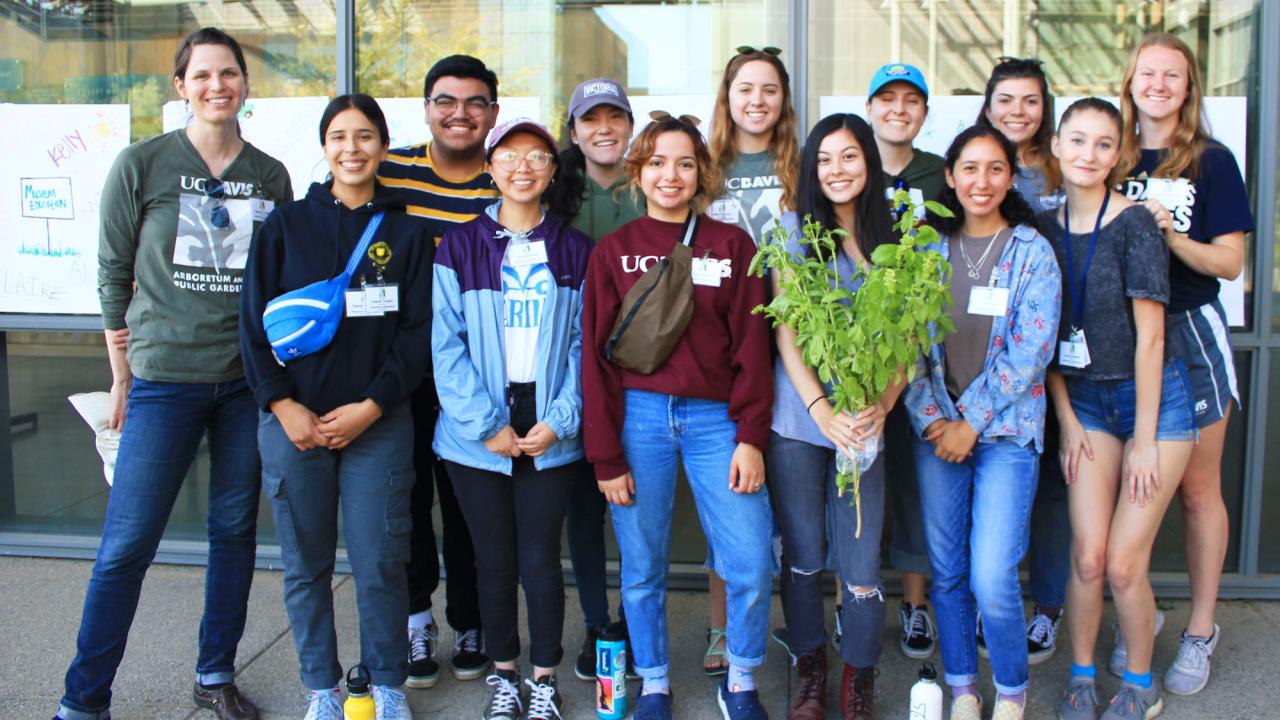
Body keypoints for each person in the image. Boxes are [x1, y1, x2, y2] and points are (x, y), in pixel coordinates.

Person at [56, 27, 291, 720]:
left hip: (245, 382)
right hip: (163, 379)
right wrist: (121, 373)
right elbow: (111, 273)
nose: (218, 85)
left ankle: (214, 672)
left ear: (243, 84)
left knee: (232, 533)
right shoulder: (143, 163)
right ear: (180, 86)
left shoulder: (269, 175)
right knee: (127, 545)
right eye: (203, 75)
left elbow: (274, 282)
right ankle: (83, 699)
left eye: (230, 74)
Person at [240, 94, 432, 720]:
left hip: (377, 425)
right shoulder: (286, 226)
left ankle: (387, 685)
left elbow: (416, 334)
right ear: (325, 146)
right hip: (293, 424)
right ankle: (321, 686)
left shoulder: (406, 232)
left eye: (366, 136)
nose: (353, 149)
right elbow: (251, 326)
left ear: (383, 146)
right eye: (340, 136)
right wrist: (282, 405)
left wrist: (372, 406)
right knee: (306, 565)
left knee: (381, 562)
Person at [582, 113, 774, 720]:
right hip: (638, 418)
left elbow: (752, 347)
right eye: (658, 162)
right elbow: (595, 358)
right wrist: (605, 456)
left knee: (747, 558)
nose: (672, 174)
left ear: (701, 174)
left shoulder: (731, 245)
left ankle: (741, 680)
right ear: (638, 173)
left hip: (720, 421)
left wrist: (752, 436)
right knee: (641, 567)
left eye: (685, 163)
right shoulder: (614, 251)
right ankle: (655, 683)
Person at [432, 117, 594, 720]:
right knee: (492, 561)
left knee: (539, 561)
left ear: (553, 171)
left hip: (549, 420)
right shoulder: (460, 246)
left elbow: (586, 346)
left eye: (537, 157)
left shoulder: (576, 250)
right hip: (478, 430)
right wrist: (483, 425)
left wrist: (561, 419)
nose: (522, 167)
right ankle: (504, 675)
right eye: (509, 156)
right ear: (490, 166)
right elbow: (445, 348)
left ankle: (544, 676)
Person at [1043, 98, 1195, 720]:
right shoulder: (1044, 230)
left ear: (1117, 155)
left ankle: (1140, 683)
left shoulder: (1133, 224)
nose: (1089, 154)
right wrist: (1068, 421)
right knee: (1088, 555)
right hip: (1085, 404)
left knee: (1126, 566)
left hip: (1154, 403)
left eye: (1104, 144)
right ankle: (1082, 677)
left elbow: (1153, 338)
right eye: (1077, 140)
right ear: (1056, 145)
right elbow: (1043, 342)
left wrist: (1145, 438)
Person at [905, 125, 1061, 720]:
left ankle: (1012, 695)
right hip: (937, 435)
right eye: (969, 168)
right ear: (949, 176)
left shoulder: (1031, 251)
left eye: (995, 169)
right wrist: (932, 422)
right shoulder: (924, 250)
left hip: (1006, 436)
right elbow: (906, 349)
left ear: (1009, 178)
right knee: (947, 573)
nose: (981, 181)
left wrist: (969, 421)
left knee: (993, 574)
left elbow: (1031, 350)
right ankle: (964, 689)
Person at [1116, 32, 1254, 696]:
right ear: (1131, 82)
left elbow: (1230, 263)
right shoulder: (1109, 154)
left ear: (1189, 88)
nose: (1160, 85)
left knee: (1198, 492)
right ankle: (1139, 612)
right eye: (1149, 73)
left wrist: (1169, 234)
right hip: (1118, 338)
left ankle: (1201, 630)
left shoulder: (1212, 162)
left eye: (1174, 75)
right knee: (1128, 488)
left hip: (1187, 332)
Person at [768, 113, 902, 720]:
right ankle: (810, 669)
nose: (837, 170)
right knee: (801, 552)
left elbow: (908, 340)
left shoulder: (897, 238)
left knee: (861, 562)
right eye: (824, 159)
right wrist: (821, 410)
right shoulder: (794, 232)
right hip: (799, 424)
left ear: (869, 163)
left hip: (866, 428)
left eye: (849, 157)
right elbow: (789, 335)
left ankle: (859, 678)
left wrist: (883, 405)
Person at [376, 54, 501, 687]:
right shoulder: (389, 170)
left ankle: (471, 619)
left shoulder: (504, 180)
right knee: (404, 500)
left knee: (466, 504)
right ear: (427, 108)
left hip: (475, 380)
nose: (460, 113)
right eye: (446, 101)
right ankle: (415, 620)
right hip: (398, 373)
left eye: (475, 102)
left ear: (493, 114)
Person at [701, 45, 800, 674]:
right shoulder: (706, 165)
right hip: (721, 347)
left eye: (769, 89)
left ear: (783, 99)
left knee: (791, 496)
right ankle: (720, 628)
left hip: (793, 346)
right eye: (745, 88)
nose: (757, 100)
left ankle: (796, 626)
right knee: (727, 500)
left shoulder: (802, 165)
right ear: (728, 96)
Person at [544, 77, 643, 681]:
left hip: (644, 373)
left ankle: (634, 620)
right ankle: (596, 621)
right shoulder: (556, 191)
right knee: (584, 510)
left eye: (615, 117)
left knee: (636, 507)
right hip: (573, 369)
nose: (603, 128)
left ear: (629, 126)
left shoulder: (650, 185)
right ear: (574, 130)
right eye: (590, 119)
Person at [974, 56, 1071, 665]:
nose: (1017, 111)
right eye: (1005, 99)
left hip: (1060, 345)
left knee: (1056, 489)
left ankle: (1049, 608)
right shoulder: (977, 168)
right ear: (987, 105)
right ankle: (997, 605)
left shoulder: (1063, 169)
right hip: (997, 358)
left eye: (1030, 100)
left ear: (1045, 109)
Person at [864, 62, 942, 660]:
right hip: (859, 349)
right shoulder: (854, 166)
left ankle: (916, 607)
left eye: (910, 99)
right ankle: (853, 602)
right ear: (870, 109)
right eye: (886, 98)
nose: (898, 109)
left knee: (914, 484)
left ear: (923, 111)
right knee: (855, 481)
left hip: (921, 352)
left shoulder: (939, 175)